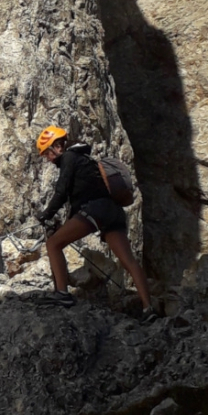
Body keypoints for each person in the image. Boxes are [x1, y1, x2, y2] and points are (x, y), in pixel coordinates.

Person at [34, 126, 155, 319]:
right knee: (129, 261)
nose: (48, 158)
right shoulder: (84, 160)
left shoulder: (69, 158)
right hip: (113, 212)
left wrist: (46, 214)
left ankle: (62, 294)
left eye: (47, 153)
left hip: (94, 209)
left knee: (53, 244)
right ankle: (149, 308)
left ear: (57, 146)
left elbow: (61, 191)